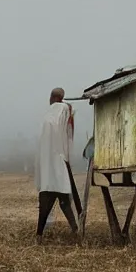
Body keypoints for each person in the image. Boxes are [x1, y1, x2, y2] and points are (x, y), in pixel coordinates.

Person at [35, 87, 79, 240]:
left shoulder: (48, 116)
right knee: (64, 198)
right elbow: (69, 130)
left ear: (52, 97)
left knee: (47, 201)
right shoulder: (65, 109)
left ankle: (39, 234)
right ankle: (76, 230)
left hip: (47, 165)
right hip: (60, 162)